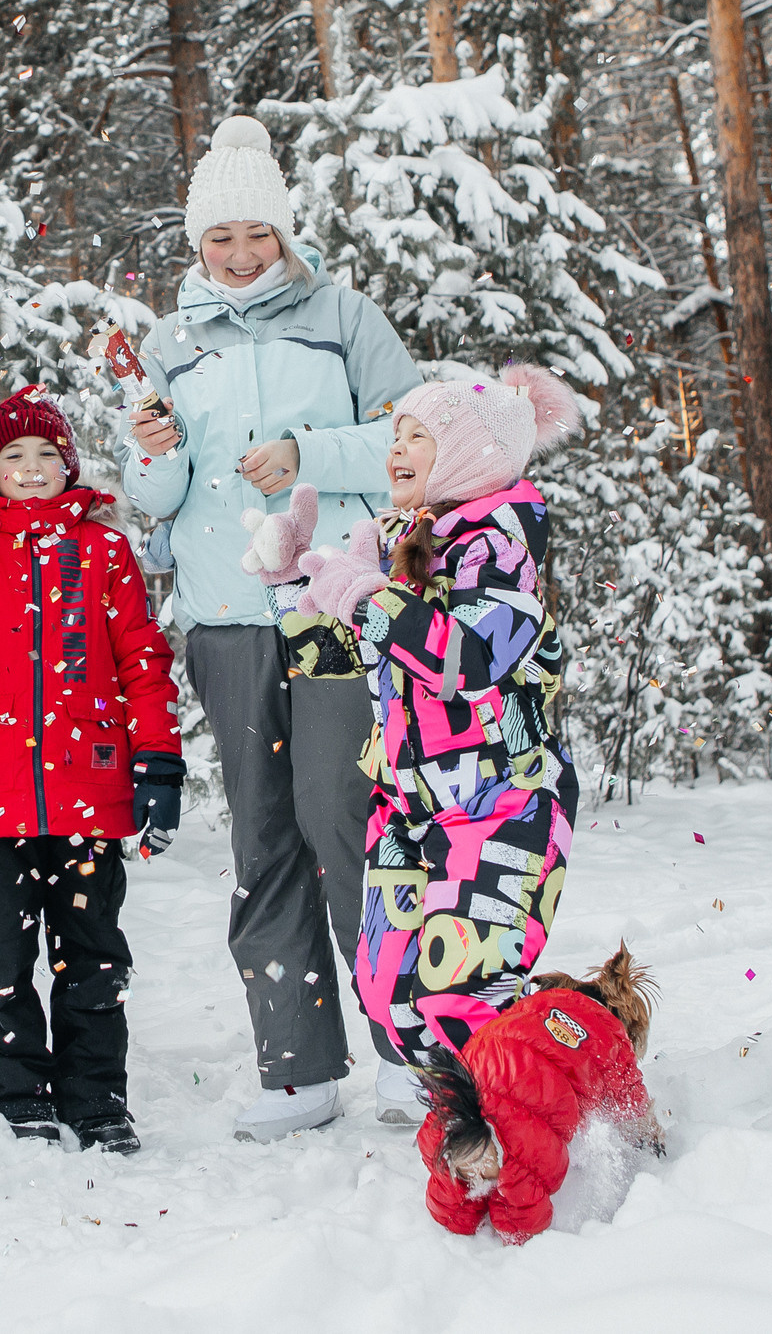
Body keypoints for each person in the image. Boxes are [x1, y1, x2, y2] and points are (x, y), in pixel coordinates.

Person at [124, 114, 422, 1142]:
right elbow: (153, 496)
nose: (240, 255)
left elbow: (407, 442)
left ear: (285, 233)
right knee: (262, 835)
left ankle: (401, 1051)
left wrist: (306, 456)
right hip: (224, 617)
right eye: (219, 239)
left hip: (329, 604)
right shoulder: (170, 342)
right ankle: (294, 1065)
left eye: (256, 234)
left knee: (347, 819)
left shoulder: (344, 316)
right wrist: (151, 449)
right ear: (195, 244)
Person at [267, 366, 585, 1073]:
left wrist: (368, 598)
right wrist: (296, 585)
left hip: (501, 802)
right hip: (410, 810)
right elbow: (337, 659)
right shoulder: (399, 538)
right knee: (391, 1000)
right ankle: (477, 1125)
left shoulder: (501, 544)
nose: (397, 450)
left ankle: (533, 1124)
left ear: (472, 454)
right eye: (396, 435)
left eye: (420, 436)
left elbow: (467, 657)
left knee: (462, 996)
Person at [0, 386, 185, 1154]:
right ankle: (10, 1090)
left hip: (88, 791)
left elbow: (142, 663)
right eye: (13, 457)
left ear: (71, 465)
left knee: (93, 952)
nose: (31, 470)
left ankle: (96, 1096)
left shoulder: (100, 552)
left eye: (46, 456)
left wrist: (158, 760)